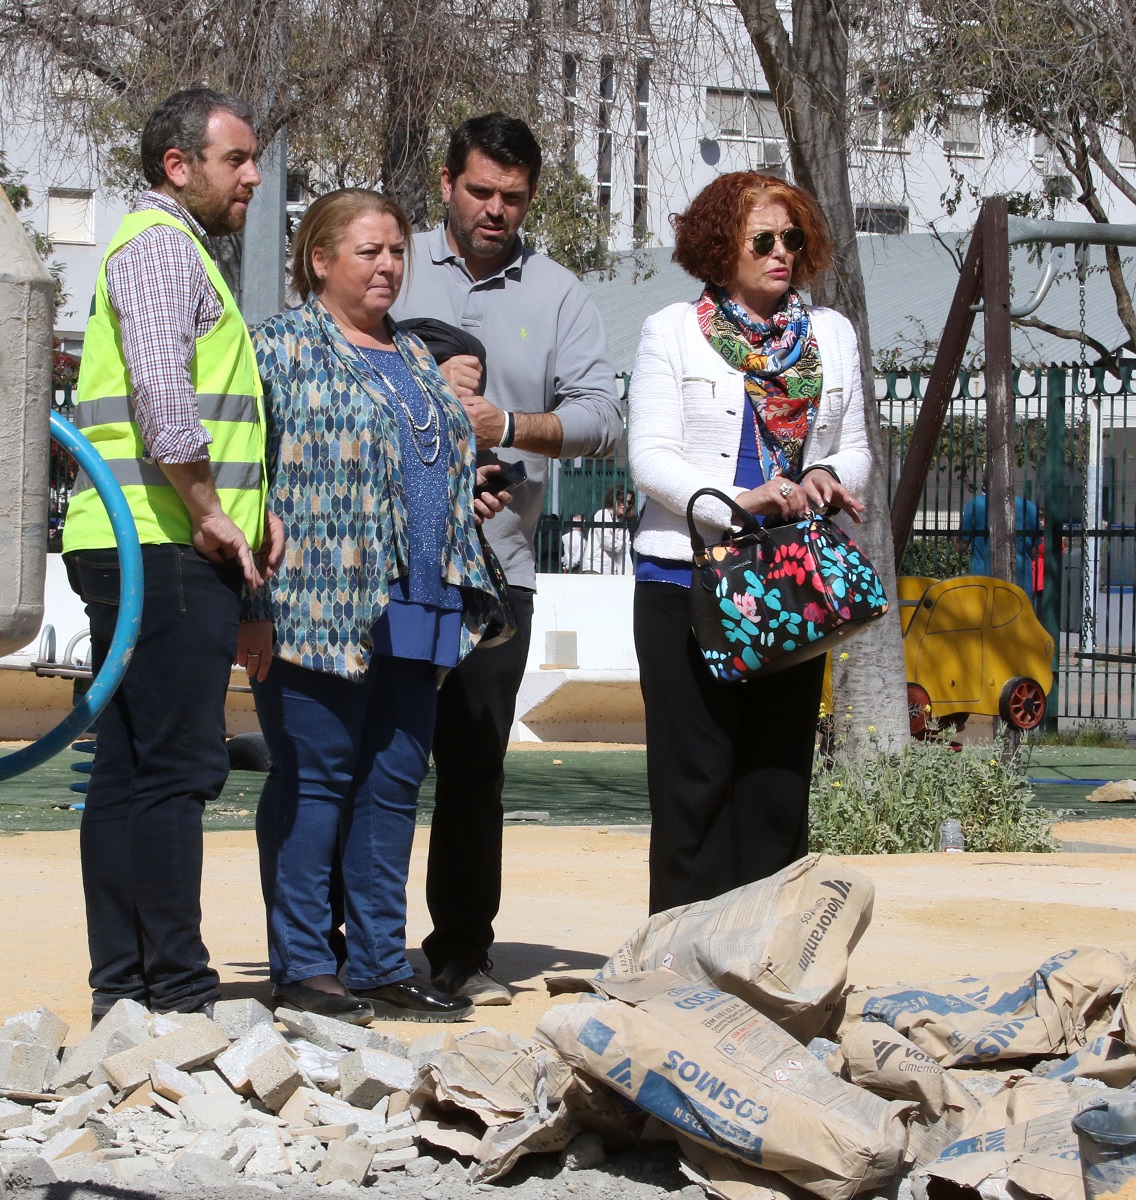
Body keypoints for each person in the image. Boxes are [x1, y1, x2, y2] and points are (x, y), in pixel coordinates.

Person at [238, 188, 512, 1024]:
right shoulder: (277, 350)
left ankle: (382, 962)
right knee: (316, 780)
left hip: (421, 602)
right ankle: (305, 966)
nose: (389, 264)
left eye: (396, 249)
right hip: (317, 602)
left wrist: (463, 493)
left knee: (393, 783)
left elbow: (423, 458)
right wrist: (251, 600)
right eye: (369, 250)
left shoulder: (417, 357)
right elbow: (243, 476)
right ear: (319, 260)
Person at [61, 88, 283, 1021]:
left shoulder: (172, 250)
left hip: (142, 537)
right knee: (174, 768)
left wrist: (248, 507)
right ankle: (175, 990)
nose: (254, 177)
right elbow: (160, 389)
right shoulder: (158, 246)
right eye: (236, 160)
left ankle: (131, 986)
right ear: (177, 166)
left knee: (132, 766)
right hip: (156, 540)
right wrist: (207, 510)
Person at [390, 113, 623, 1003]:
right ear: (446, 181)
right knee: (373, 760)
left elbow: (603, 419)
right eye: (481, 191)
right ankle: (348, 950)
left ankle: (461, 952)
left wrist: (509, 430)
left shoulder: (560, 294)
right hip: (386, 571)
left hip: (499, 572)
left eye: (514, 198)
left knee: (474, 768)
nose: (496, 211)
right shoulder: (388, 259)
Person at [627, 170, 870, 915]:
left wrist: (826, 473)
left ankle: (764, 964)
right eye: (761, 238)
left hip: (789, 585)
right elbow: (651, 457)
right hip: (685, 581)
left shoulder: (830, 334)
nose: (781, 252)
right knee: (694, 781)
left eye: (792, 238)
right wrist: (736, 501)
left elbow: (855, 445)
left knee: (775, 781)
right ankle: (680, 966)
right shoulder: (672, 329)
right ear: (718, 245)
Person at [960, 489, 1040, 595]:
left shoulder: (975, 504)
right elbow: (1034, 553)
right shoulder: (1029, 507)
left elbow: (960, 547)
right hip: (1020, 587)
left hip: (982, 586)